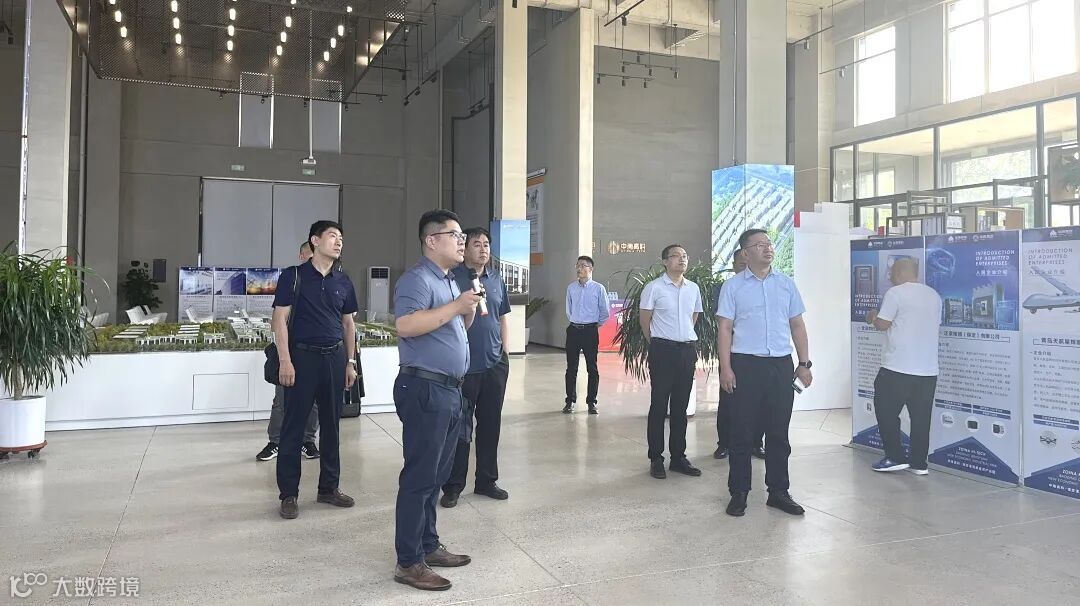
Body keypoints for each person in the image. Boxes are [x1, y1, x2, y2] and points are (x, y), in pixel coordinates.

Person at [391, 209, 483, 591]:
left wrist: (467, 310)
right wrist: (457, 307)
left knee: (437, 476)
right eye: (455, 235)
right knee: (420, 477)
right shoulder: (417, 279)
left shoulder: (448, 280)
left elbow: (453, 327)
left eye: (462, 236)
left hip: (449, 389)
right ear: (432, 240)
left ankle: (428, 544)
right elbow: (406, 324)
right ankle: (409, 561)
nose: (462, 242)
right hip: (425, 388)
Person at [717, 228, 812, 518]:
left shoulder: (785, 284)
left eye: (768, 243)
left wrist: (804, 363)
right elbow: (725, 328)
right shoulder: (733, 287)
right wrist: (726, 368)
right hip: (745, 365)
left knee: (778, 432)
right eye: (759, 245)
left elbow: (797, 325)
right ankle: (739, 492)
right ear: (745, 254)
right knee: (742, 432)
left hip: (780, 365)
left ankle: (778, 492)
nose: (767, 248)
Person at [272, 221, 359, 520]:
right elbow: (279, 320)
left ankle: (328, 488)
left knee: (332, 426)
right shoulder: (293, 276)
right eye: (332, 236)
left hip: (334, 358)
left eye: (341, 238)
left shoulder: (343, 281)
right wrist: (285, 360)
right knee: (293, 427)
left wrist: (350, 362)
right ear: (315, 240)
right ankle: (288, 494)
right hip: (302, 358)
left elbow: (348, 324)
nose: (339, 242)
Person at [440, 227, 512, 507]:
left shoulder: (496, 279)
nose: (483, 249)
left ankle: (486, 481)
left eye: (486, 244)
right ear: (465, 248)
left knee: (490, 425)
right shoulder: (452, 278)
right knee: (460, 429)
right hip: (464, 366)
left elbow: (502, 317)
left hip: (494, 364)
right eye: (477, 244)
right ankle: (453, 486)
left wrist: (505, 353)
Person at [866, 257, 942, 475]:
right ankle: (919, 463)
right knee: (921, 418)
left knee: (885, 411)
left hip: (897, 367)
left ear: (899, 272)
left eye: (891, 274)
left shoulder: (895, 293)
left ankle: (895, 457)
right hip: (927, 370)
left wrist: (872, 316)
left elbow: (883, 324)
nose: (890, 278)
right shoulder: (934, 295)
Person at [639, 244, 704, 480]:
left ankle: (678, 457)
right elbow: (645, 319)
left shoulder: (693, 288)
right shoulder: (654, 287)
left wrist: (681, 337)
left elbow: (693, 317)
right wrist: (658, 342)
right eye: (676, 256)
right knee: (659, 404)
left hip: (686, 351)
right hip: (662, 350)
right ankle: (656, 458)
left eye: (684, 255)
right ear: (665, 261)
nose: (681, 259)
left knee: (680, 406)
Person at [257, 241, 320, 462]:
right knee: (282, 400)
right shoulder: (291, 280)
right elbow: (278, 320)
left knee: (312, 401)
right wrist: (284, 357)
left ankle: (307, 441)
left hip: (314, 353)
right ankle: (275, 441)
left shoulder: (326, 283)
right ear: (301, 256)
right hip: (289, 351)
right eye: (309, 256)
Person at [713, 248, 766, 461]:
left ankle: (756, 442)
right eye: (741, 264)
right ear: (734, 265)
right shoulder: (727, 288)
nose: (746, 267)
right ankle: (724, 443)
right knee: (729, 400)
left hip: (759, 355)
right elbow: (722, 323)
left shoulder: (765, 287)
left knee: (760, 402)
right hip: (733, 353)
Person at [563, 256, 610, 414]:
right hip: (573, 330)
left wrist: (595, 325)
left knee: (592, 368)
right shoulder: (571, 288)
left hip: (590, 331)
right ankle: (570, 401)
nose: (579, 268)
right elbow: (569, 310)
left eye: (583, 266)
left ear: (591, 269)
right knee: (571, 368)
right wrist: (576, 321)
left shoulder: (598, 288)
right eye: (577, 265)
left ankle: (591, 402)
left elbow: (605, 311)